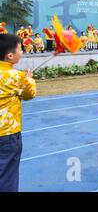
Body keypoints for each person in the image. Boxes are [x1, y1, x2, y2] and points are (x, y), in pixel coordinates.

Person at [0, 34, 36, 192]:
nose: (22, 52)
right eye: (20, 49)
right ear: (10, 55)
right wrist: (28, 79)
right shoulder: (16, 76)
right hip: (7, 134)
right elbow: (29, 94)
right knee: (8, 174)